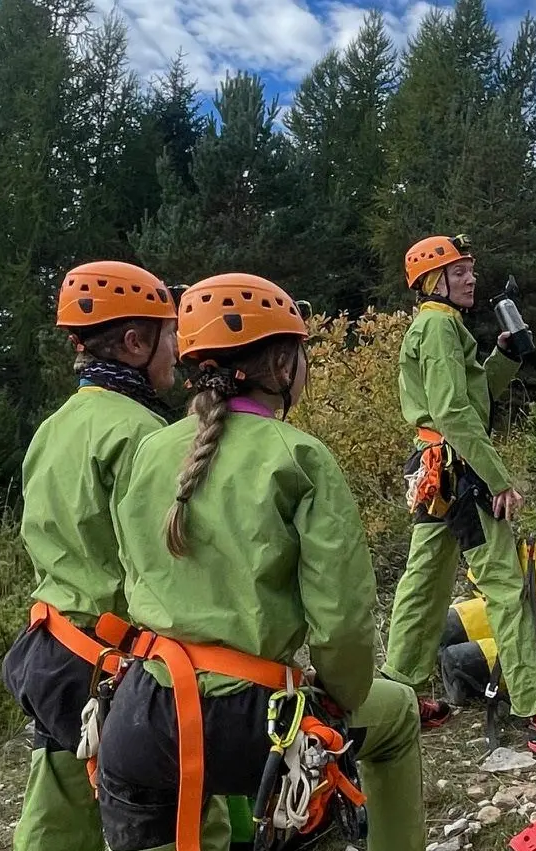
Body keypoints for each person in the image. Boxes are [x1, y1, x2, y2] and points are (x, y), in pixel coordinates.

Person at [95, 273, 426, 851]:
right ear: (279, 364)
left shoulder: (150, 449)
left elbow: (131, 568)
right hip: (258, 723)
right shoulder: (298, 457)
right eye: (300, 354)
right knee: (394, 714)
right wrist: (340, 695)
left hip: (143, 715)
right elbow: (343, 617)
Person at [380, 234, 536, 754]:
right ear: (432, 281)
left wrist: (503, 356)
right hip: (462, 474)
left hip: (434, 473)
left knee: (423, 585)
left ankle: (395, 697)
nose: (471, 278)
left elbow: (470, 395)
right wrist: (497, 479)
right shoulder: (440, 325)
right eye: (460, 271)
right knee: (507, 592)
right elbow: (454, 412)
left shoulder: (436, 326)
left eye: (470, 269)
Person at [0, 260, 180, 851]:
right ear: (135, 342)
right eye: (169, 331)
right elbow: (162, 566)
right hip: (110, 660)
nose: (179, 347)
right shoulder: (141, 434)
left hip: (51, 651)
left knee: (59, 809)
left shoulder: (54, 428)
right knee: (180, 815)